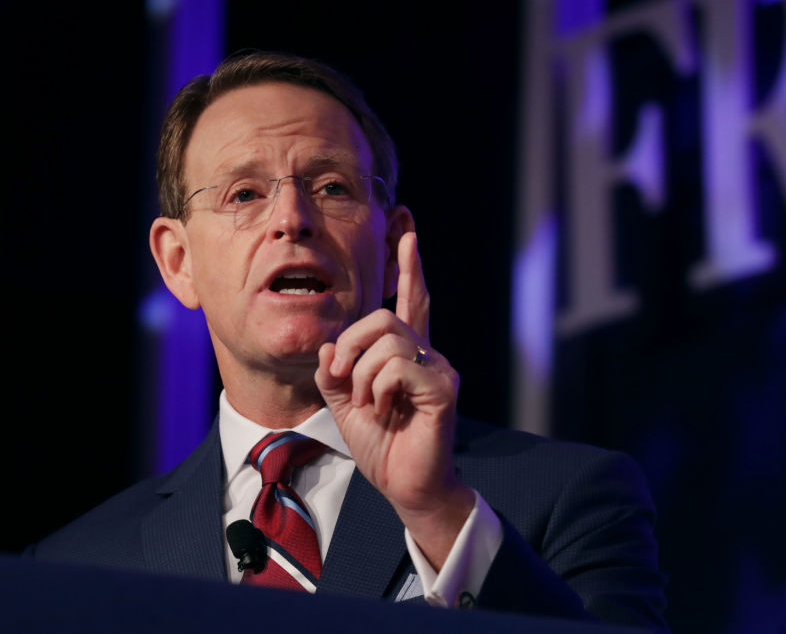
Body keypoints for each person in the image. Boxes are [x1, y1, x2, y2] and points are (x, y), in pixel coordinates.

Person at [30, 51, 666, 629]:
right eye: (244, 193)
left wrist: (437, 511)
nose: (292, 219)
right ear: (177, 262)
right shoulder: (72, 568)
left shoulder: (571, 497)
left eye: (331, 187)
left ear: (391, 246)